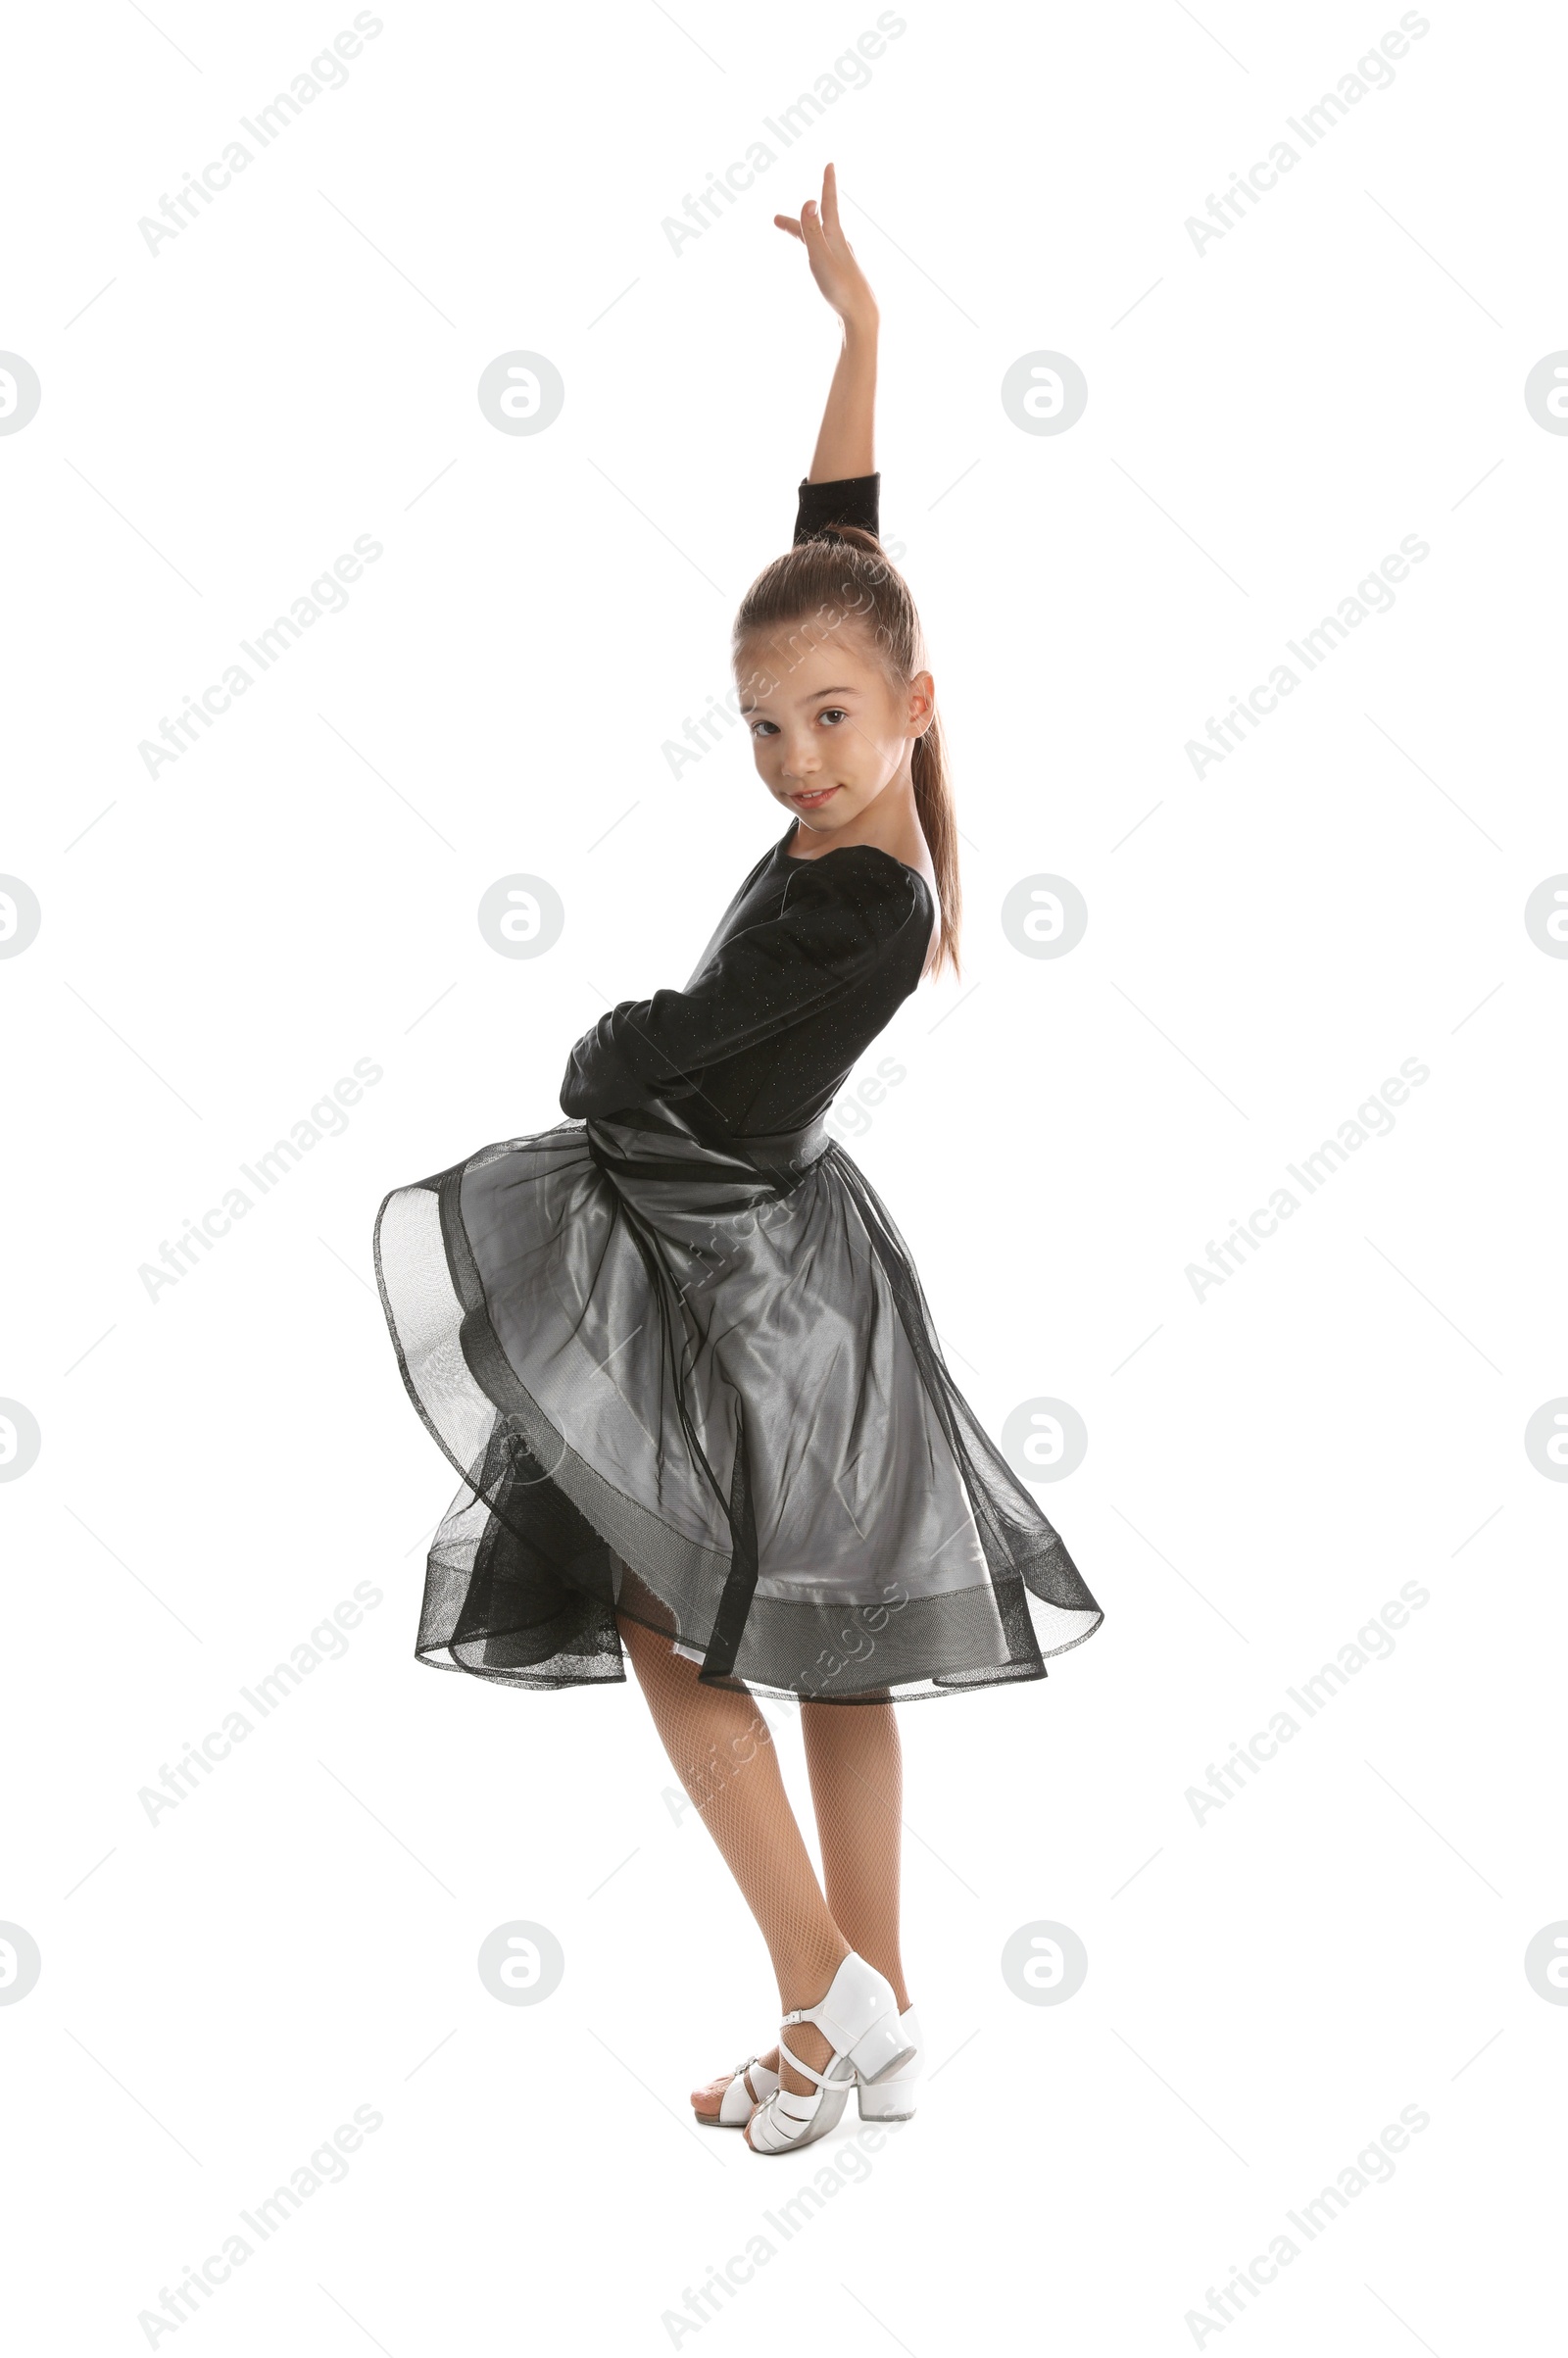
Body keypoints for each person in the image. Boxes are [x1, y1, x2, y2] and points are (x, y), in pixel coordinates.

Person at [372, 164, 1103, 2155]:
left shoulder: (863, 909)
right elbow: (832, 555)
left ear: (910, 712)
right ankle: (863, 2029)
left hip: (730, 1263)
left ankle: (820, 1993)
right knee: (832, 1652)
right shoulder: (852, 746)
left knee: (660, 1620)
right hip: (768, 1251)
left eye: (828, 721)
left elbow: (663, 1062)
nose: (791, 755)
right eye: (764, 725)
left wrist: (590, 1034)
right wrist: (857, 333)